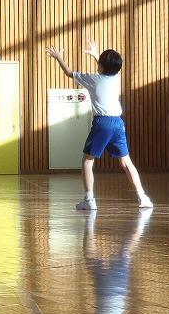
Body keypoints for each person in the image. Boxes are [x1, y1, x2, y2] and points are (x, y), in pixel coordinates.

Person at [46, 40, 153, 210]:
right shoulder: (116, 78)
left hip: (102, 123)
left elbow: (69, 72)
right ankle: (143, 197)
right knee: (126, 162)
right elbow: (107, 69)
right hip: (118, 123)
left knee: (87, 161)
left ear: (101, 66)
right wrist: (96, 55)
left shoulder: (93, 79)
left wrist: (59, 57)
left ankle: (89, 200)